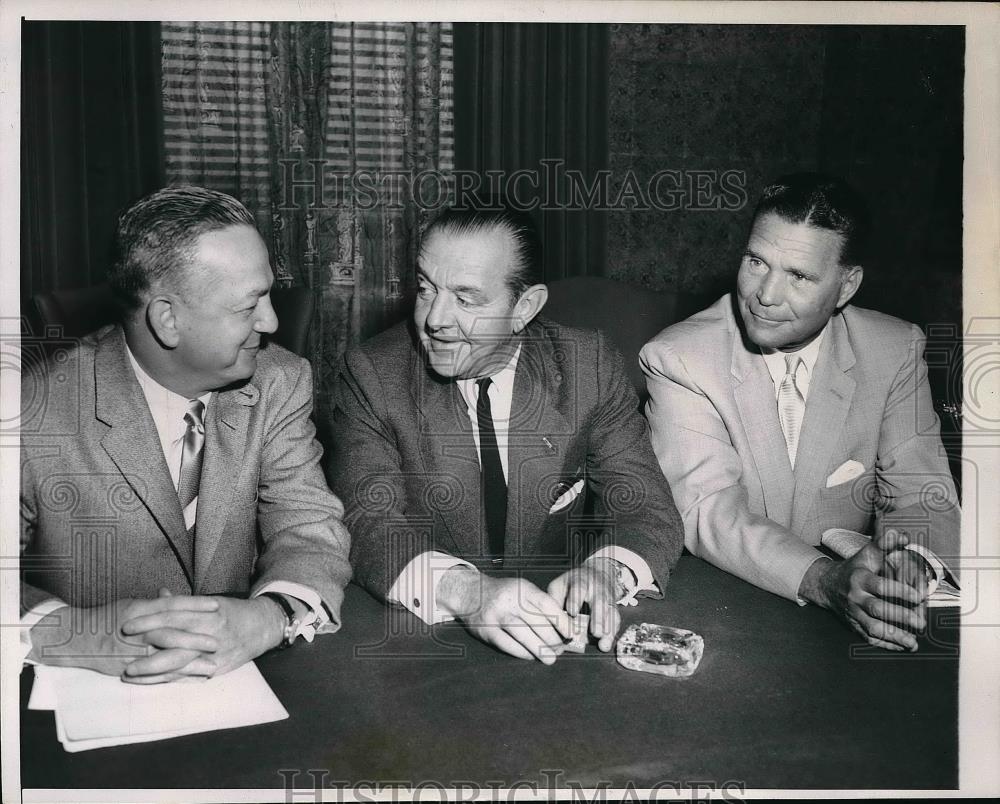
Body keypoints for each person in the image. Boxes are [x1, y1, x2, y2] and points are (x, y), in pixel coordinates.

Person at [20, 186, 352, 683]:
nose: (272, 321)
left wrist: (271, 616)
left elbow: (308, 527)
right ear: (168, 320)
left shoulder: (281, 380)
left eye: (268, 294)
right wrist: (70, 630)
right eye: (249, 306)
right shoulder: (32, 410)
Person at [327, 206, 683, 663]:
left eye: (466, 299)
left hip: (556, 639)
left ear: (525, 308)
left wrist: (605, 572)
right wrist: (468, 592)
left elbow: (647, 505)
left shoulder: (589, 366)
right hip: (422, 644)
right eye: (425, 289)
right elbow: (365, 519)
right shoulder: (373, 373)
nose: (434, 319)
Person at [640, 172, 960, 651]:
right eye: (756, 261)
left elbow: (922, 493)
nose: (765, 295)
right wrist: (825, 580)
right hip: (724, 614)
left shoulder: (894, 350)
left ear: (846, 286)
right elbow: (708, 508)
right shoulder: (679, 357)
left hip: (845, 638)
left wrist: (904, 566)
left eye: (800, 276)